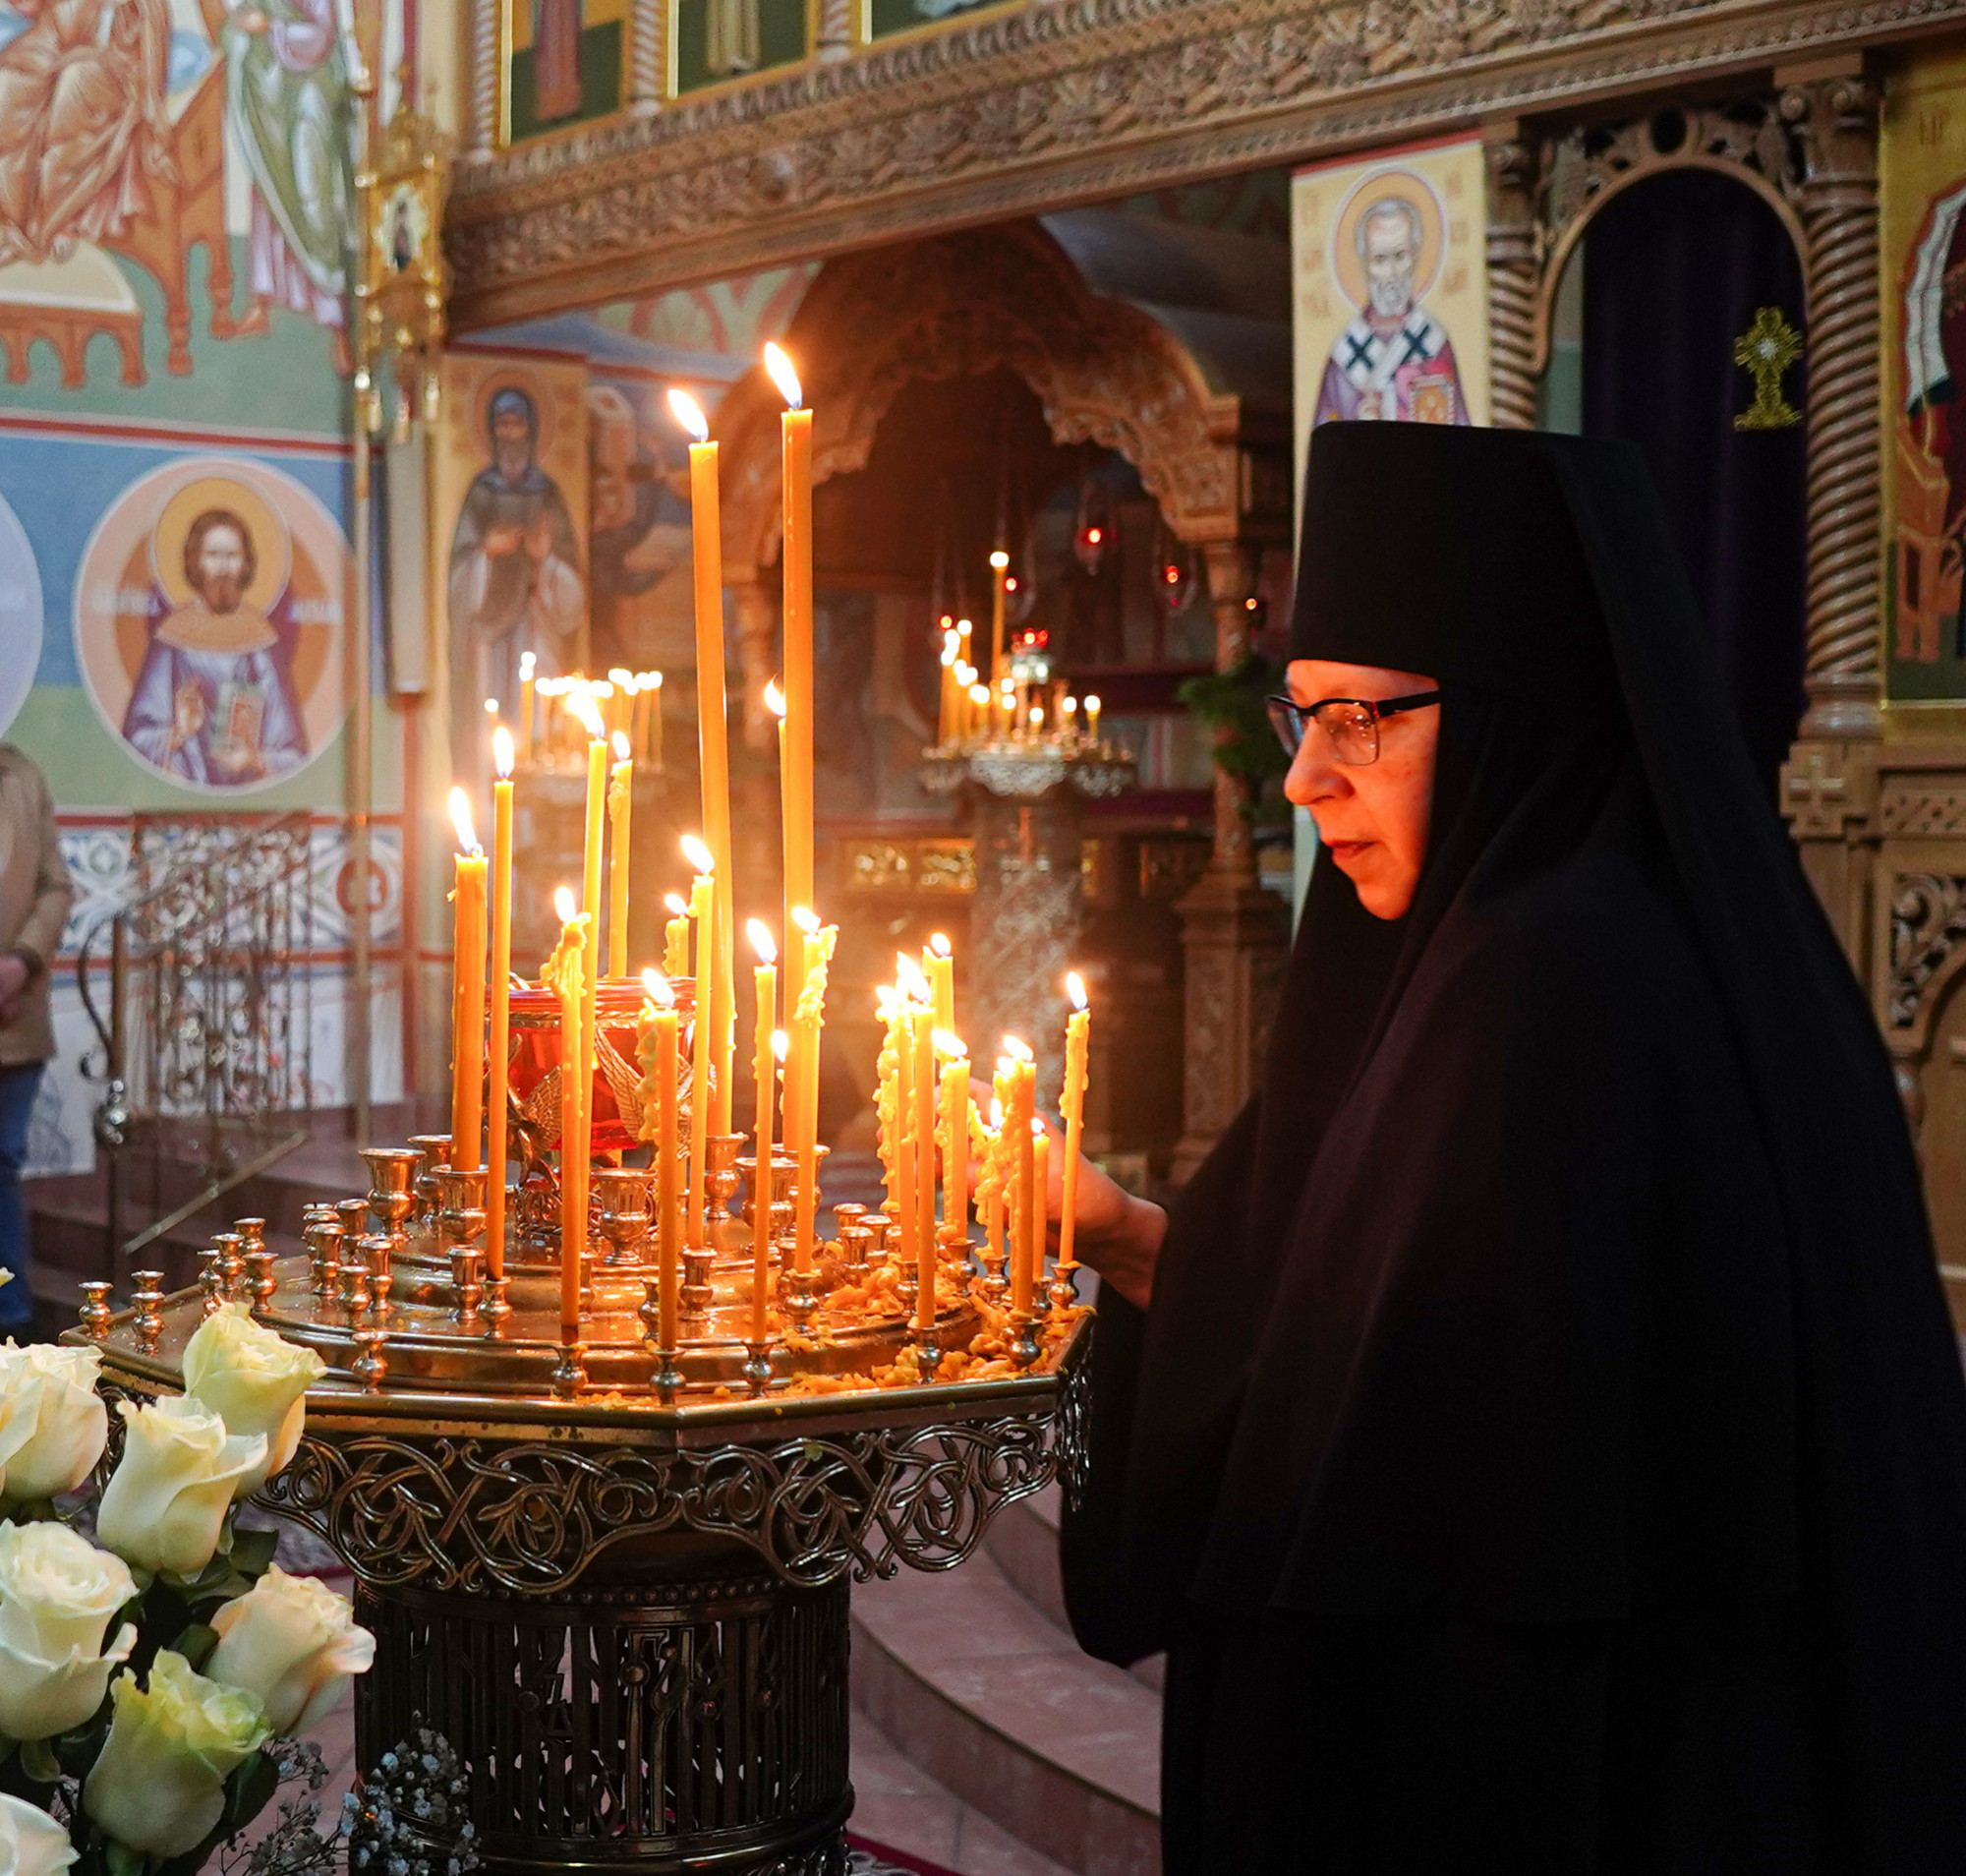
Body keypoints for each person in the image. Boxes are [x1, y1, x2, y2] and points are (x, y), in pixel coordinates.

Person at [1056, 422, 1966, 1869]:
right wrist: (1122, 1234)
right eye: (1306, 716)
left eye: (1368, 721)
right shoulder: (1444, 953)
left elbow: (1458, 1530)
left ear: (1510, 714)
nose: (1307, 782)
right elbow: (1332, 1332)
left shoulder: (1561, 993)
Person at [122, 507, 309, 787]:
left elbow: (291, 752)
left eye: (232, 556)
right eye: (213, 556)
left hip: (251, 797)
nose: (222, 568)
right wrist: (179, 732)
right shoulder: (172, 640)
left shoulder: (260, 643)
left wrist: (255, 759)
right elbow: (137, 738)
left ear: (246, 564)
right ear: (195, 562)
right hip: (180, 788)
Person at [447, 385, 586, 721]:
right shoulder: (480, 492)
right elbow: (458, 570)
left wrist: (544, 560)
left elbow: (572, 575)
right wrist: (486, 553)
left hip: (536, 623)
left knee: (537, 715)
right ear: (492, 431)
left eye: (517, 425)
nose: (509, 434)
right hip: (488, 632)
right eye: (502, 425)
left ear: (532, 430)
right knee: (490, 716)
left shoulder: (548, 494)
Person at [0, 745, 72, 1339]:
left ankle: (12, 1323)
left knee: (2, 1163)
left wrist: (20, 963)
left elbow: (55, 887)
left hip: (12, 1020)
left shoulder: (22, 774)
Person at [1313, 195, 1469, 426]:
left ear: (1415, 255)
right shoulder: (1344, 354)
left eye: (1400, 256)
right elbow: (1325, 448)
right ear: (1364, 262)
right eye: (1379, 259)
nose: (1392, 272)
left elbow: (1459, 434)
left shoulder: (1433, 342)